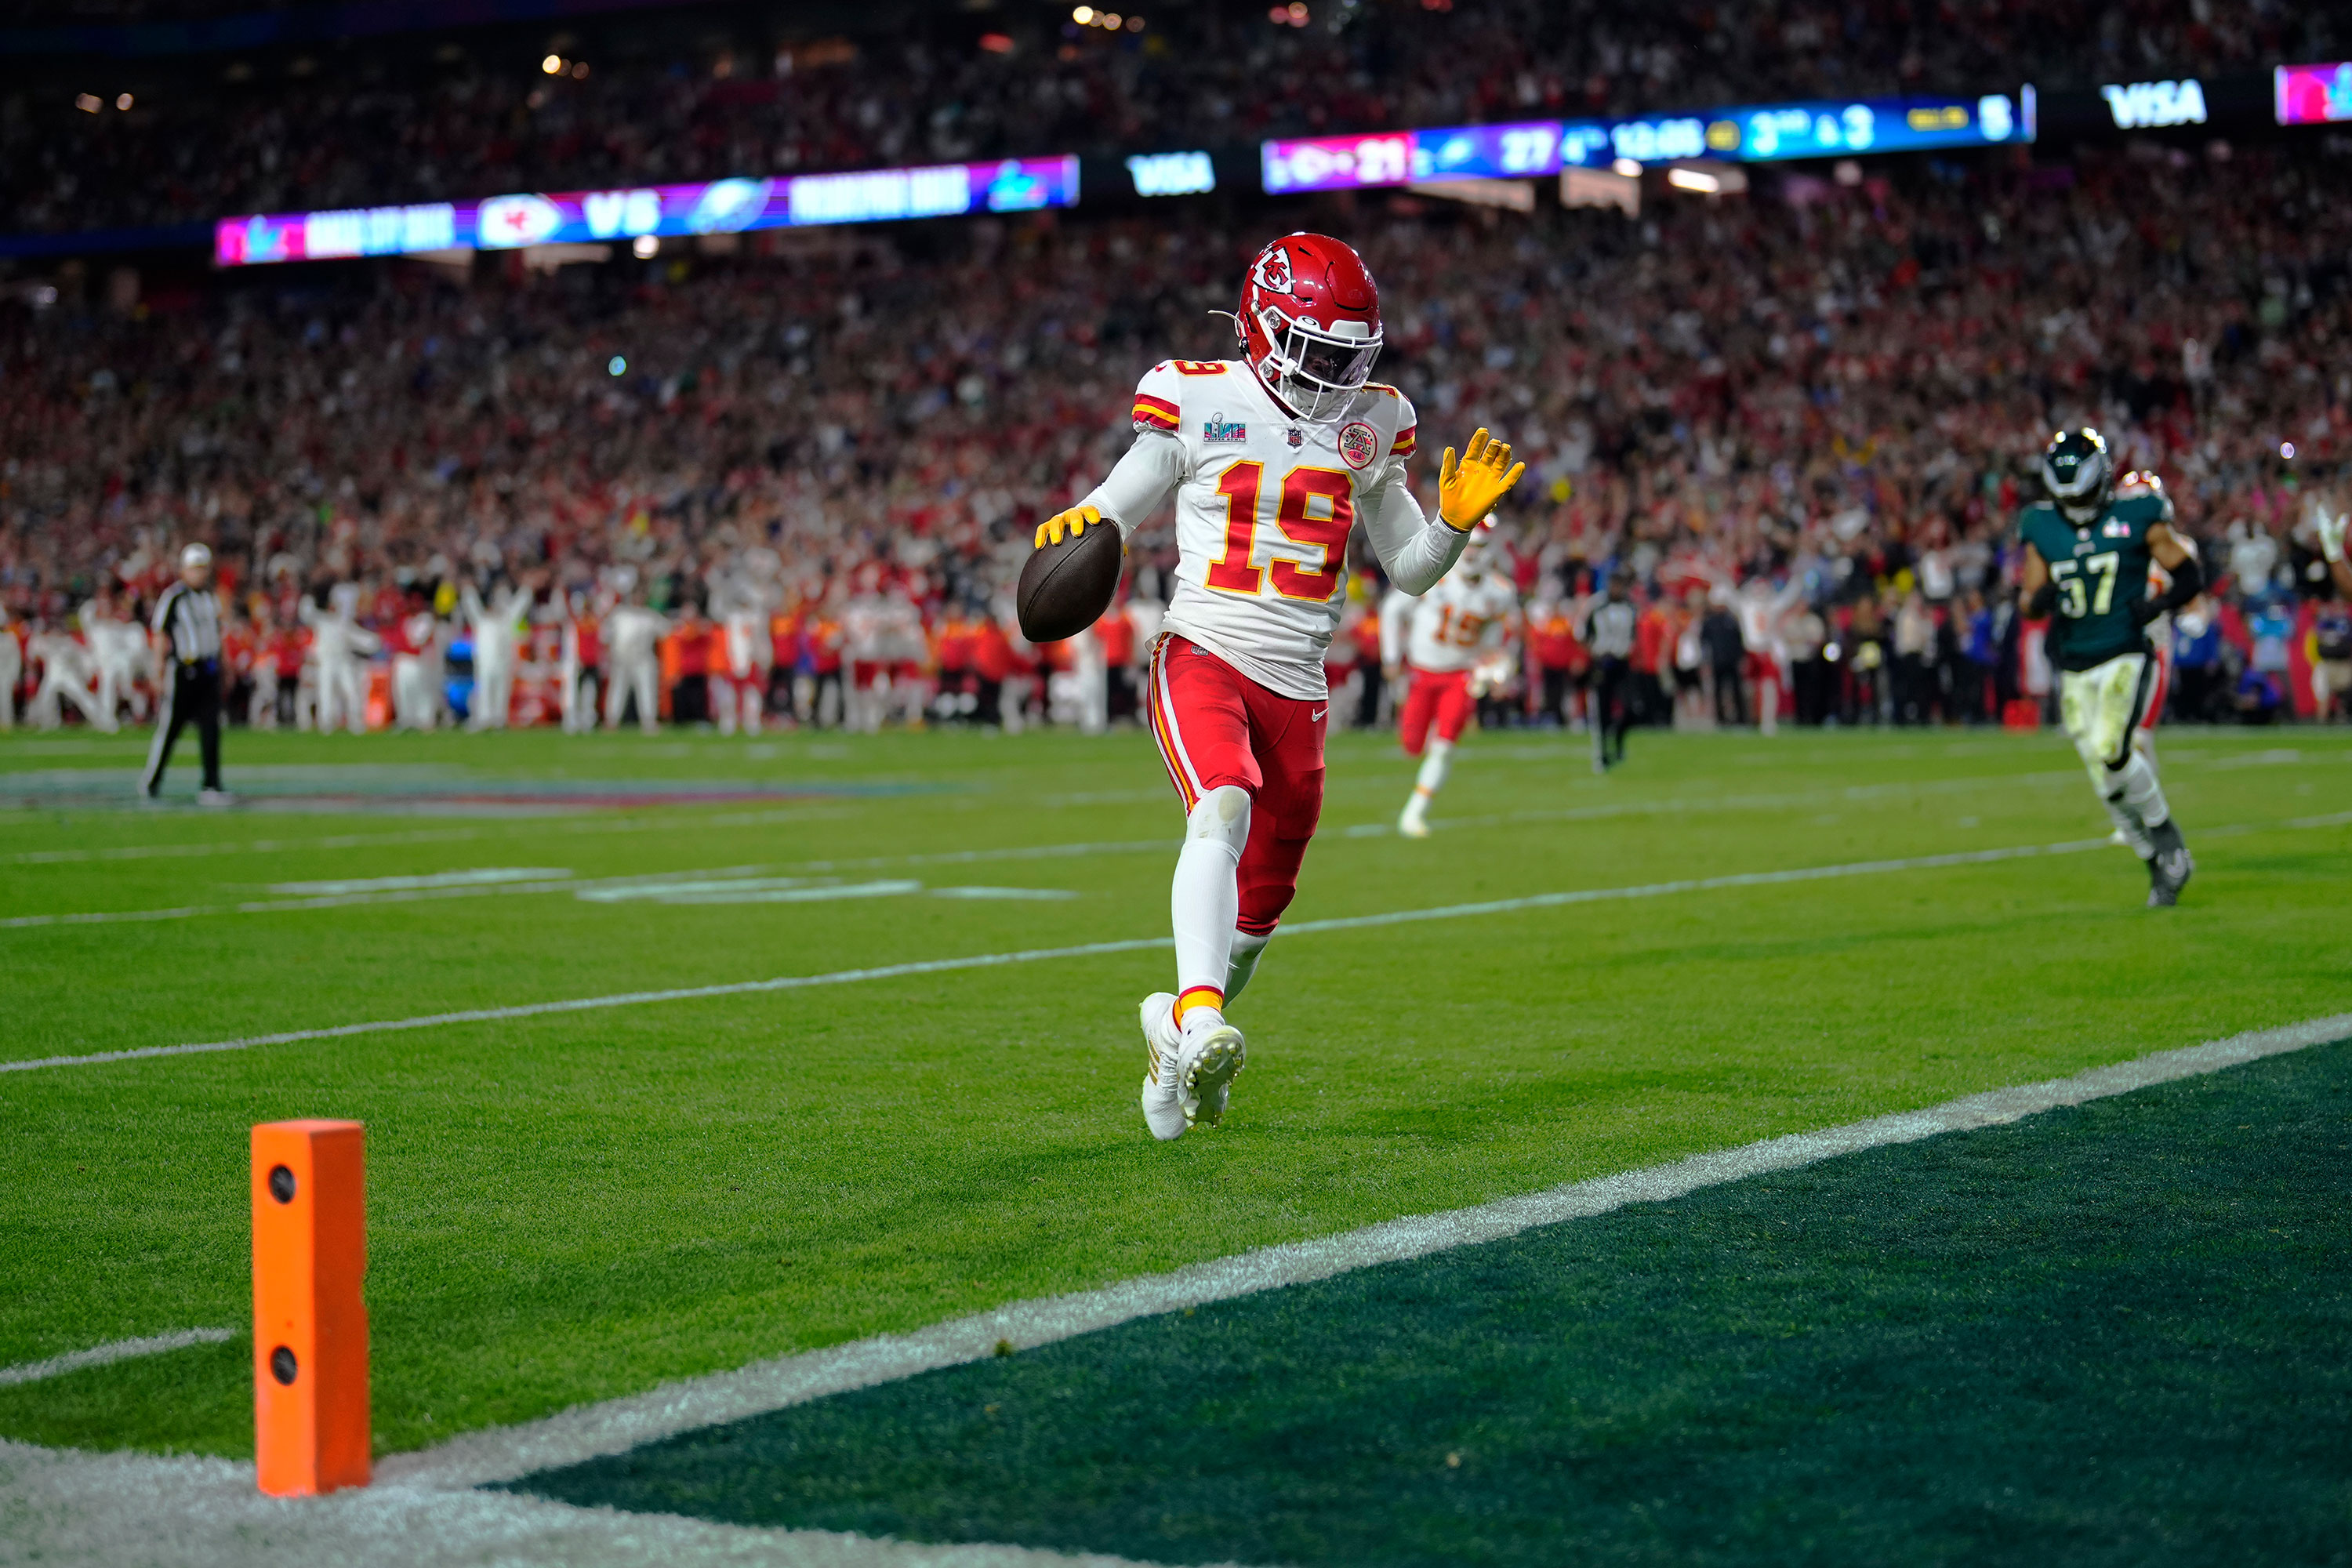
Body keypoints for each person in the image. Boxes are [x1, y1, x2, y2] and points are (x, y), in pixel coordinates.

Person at [1031, 231, 1523, 1142]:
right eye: (1317, 350)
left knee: (1261, 912)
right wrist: (1086, 519)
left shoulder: (1374, 418)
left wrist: (1451, 526)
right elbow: (1119, 500)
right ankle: (1205, 1013)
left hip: (1300, 685)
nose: (1333, 373)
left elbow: (1409, 568)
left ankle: (1175, 1031)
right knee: (1221, 800)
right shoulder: (1197, 393)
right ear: (1263, 324)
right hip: (1205, 648)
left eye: (1349, 356)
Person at [2017, 429, 2202, 906]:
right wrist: (2041, 599)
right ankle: (2155, 865)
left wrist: (2156, 606)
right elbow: (2029, 603)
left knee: (2113, 748)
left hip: (2123, 650)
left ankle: (2169, 839)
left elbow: (2189, 574)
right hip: (2074, 661)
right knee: (2103, 777)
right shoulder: (2041, 526)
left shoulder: (2136, 514)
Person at [1386, 521, 1519, 838]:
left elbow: (1501, 642)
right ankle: (1429, 739)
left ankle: (1414, 813)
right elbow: (1392, 609)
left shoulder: (1500, 592)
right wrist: (1391, 657)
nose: (1473, 554)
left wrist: (1499, 670)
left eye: (1480, 548)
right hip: (1423, 671)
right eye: (1470, 546)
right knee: (1412, 745)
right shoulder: (1437, 574)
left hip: (1461, 673)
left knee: (1445, 746)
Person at [140, 543, 230, 803]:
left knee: (211, 728)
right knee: (170, 729)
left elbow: (216, 635)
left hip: (208, 669)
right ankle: (152, 780)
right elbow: (160, 633)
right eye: (195, 568)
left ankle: (211, 785)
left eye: (203, 569)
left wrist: (223, 666)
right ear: (184, 569)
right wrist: (158, 670)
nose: (200, 574)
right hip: (184, 670)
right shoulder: (174, 597)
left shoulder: (210, 598)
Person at [1581, 572, 1636, 771]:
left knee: (1632, 708)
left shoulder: (1629, 608)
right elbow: (1584, 635)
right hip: (1603, 662)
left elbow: (1633, 635)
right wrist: (1593, 657)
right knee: (1602, 710)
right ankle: (1603, 754)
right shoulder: (1597, 607)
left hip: (1622, 663)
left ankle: (1619, 740)